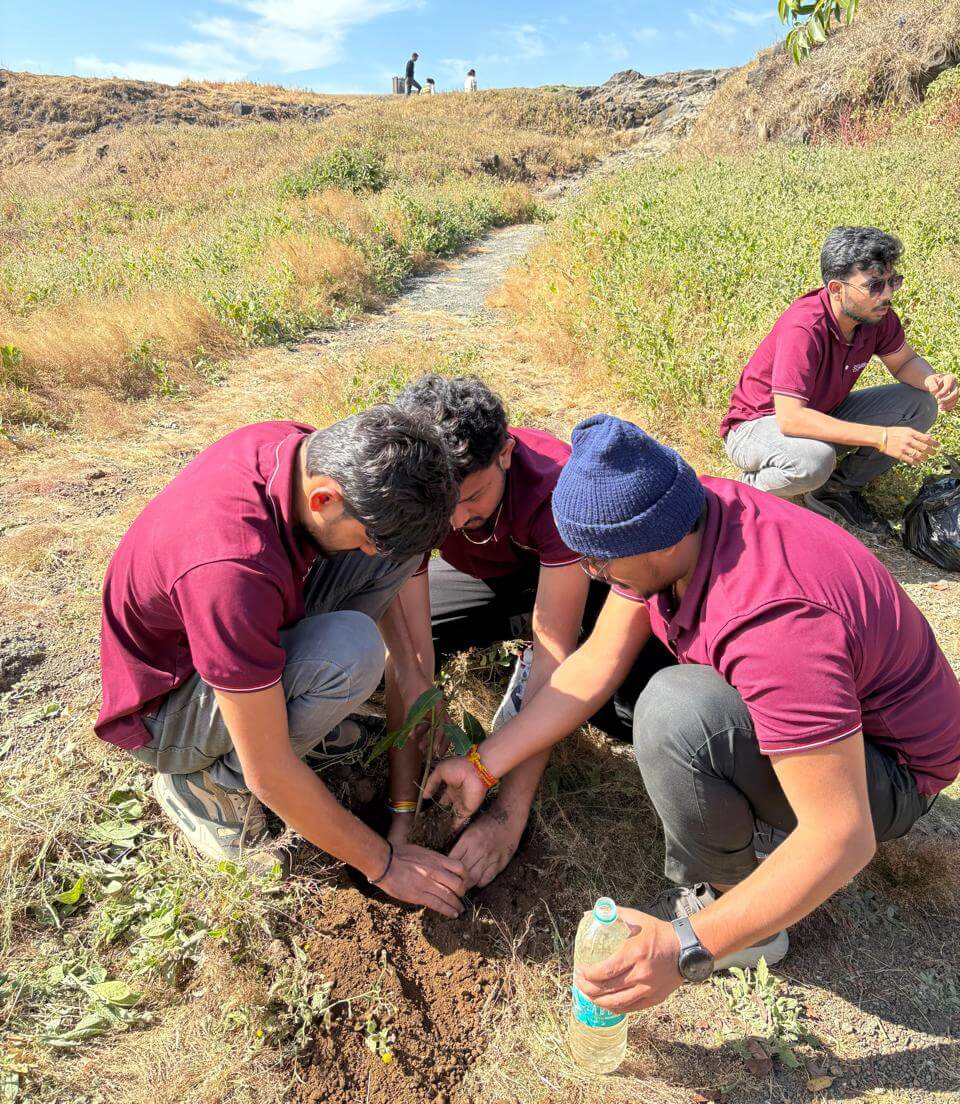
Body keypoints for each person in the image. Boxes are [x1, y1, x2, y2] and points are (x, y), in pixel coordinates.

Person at [427, 414, 960, 1008]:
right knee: (649, 697)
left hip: (892, 772)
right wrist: (483, 765)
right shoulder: (679, 513)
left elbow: (842, 836)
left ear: (654, 543)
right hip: (842, 721)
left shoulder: (775, 625)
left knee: (676, 713)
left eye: (599, 563)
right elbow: (595, 664)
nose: (594, 574)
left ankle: (742, 918)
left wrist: (685, 947)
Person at [96, 408, 467, 918]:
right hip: (167, 711)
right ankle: (208, 785)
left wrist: (414, 677)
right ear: (323, 500)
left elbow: (382, 548)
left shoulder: (300, 453)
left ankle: (299, 703)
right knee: (353, 653)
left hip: (237, 634)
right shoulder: (230, 571)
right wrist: (384, 864)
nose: (368, 551)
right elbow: (268, 771)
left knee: (395, 553)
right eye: (365, 536)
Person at [385, 376, 673, 889]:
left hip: (568, 576)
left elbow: (553, 657)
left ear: (505, 453)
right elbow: (412, 656)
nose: (455, 520)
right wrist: (403, 815)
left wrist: (507, 816)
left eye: (473, 497)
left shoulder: (554, 490)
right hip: (488, 579)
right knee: (387, 643)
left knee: (626, 712)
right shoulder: (420, 488)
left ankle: (530, 659)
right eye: (442, 505)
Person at [722, 226, 957, 536]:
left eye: (892, 282)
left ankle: (835, 490)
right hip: (758, 427)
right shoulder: (805, 327)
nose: (887, 295)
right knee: (813, 460)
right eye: (874, 285)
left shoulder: (876, 315)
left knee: (920, 404)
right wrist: (882, 437)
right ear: (836, 289)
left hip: (821, 413)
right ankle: (741, 494)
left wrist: (932, 380)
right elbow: (791, 419)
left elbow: (904, 362)